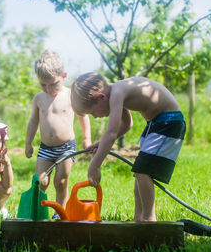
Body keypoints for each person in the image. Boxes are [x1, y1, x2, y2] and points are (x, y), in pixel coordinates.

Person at [71, 72, 186, 222]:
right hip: (156, 123)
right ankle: (138, 218)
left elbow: (111, 132)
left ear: (101, 97)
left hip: (168, 121)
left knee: (143, 172)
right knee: (139, 173)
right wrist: (101, 144)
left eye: (92, 112)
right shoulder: (116, 91)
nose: (95, 117)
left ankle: (149, 219)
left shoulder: (118, 92)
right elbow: (126, 125)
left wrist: (95, 166)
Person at [25, 50, 92, 217]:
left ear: (64, 75)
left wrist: (86, 138)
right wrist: (28, 143)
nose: (48, 89)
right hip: (45, 148)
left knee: (60, 181)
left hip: (66, 147)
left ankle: (59, 213)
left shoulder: (70, 95)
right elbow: (33, 122)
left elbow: (83, 116)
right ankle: (38, 212)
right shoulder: (39, 98)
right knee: (40, 181)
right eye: (43, 84)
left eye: (53, 84)